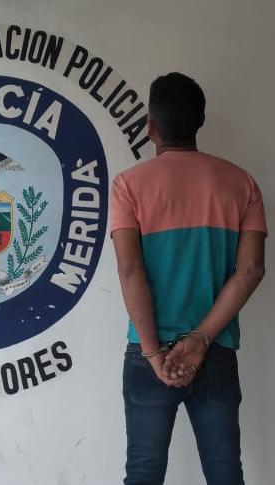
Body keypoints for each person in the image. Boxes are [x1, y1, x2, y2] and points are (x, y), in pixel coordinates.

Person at [110, 72, 267, 485]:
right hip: (214, 351)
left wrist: (152, 353)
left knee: (143, 475)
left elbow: (129, 270)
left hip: (149, 351)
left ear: (151, 126)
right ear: (201, 121)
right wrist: (199, 340)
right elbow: (251, 270)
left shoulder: (128, 186)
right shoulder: (243, 184)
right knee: (225, 474)